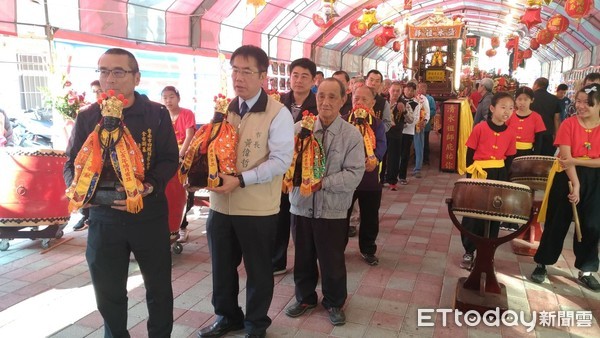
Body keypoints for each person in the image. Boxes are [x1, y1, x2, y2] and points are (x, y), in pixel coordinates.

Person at [64, 47, 179, 337]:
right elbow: (71, 162)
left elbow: (169, 158)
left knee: (159, 290)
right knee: (109, 294)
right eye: (103, 71)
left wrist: (149, 185)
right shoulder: (89, 116)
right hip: (104, 220)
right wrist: (78, 191)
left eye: (118, 72)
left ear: (136, 77)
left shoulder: (156, 113)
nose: (110, 79)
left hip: (148, 216)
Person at [197, 45, 294, 338]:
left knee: (259, 271)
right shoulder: (224, 109)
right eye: (235, 70)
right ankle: (228, 317)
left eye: (247, 71)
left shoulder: (278, 113)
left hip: (256, 209)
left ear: (263, 76)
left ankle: (255, 324)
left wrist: (241, 179)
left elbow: (280, 162)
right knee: (222, 268)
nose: (238, 77)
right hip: (220, 205)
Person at [285, 77, 365, 326]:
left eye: (333, 97)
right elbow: (285, 163)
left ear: (343, 100)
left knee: (332, 260)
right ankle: (305, 297)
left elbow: (354, 174)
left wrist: (322, 183)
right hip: (301, 206)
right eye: (321, 96)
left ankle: (334, 301)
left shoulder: (351, 135)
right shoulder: (299, 130)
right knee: (303, 256)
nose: (326, 101)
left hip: (332, 210)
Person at [530, 83, 600, 291]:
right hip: (566, 178)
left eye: (587, 103)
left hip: (595, 179)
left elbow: (577, 160)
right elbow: (565, 157)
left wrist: (578, 162)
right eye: (578, 101)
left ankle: (586, 269)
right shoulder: (568, 124)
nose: (580, 106)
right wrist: (576, 184)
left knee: (592, 225)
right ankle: (543, 262)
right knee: (556, 220)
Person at [460, 92, 516, 270]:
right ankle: (469, 251)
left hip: (498, 174)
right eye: (503, 107)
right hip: (479, 174)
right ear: (492, 108)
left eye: (511, 108)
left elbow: (510, 160)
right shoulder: (480, 128)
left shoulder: (510, 132)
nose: (507, 111)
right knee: (473, 214)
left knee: (494, 214)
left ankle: (487, 251)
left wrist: (506, 181)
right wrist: (470, 179)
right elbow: (470, 154)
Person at [274, 57, 318, 276]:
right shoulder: (277, 101)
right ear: (289, 77)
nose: (299, 80)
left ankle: (307, 267)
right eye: (295, 75)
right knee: (279, 214)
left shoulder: (318, 104)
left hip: (304, 168)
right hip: (279, 167)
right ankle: (277, 261)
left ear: (313, 80)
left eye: (304, 76)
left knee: (302, 220)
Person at [344, 85, 386, 265]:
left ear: (373, 103)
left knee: (370, 216)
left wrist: (375, 158)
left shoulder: (377, 123)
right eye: (356, 99)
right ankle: (337, 248)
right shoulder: (344, 121)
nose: (359, 102)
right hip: (347, 179)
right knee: (341, 215)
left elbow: (383, 144)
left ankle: (368, 249)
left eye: (364, 99)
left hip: (370, 179)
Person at [161, 85, 196, 242]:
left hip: (184, 158)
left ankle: (182, 226)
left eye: (171, 97)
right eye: (165, 97)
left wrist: (180, 155)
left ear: (178, 98)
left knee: (185, 192)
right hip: (167, 160)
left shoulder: (187, 113)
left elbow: (189, 136)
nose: (168, 100)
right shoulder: (161, 114)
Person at [72, 80, 105, 232]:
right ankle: (85, 215)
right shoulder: (86, 115)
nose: (98, 94)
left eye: (100, 90)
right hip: (90, 164)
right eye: (95, 91)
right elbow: (72, 154)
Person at [395, 81, 429, 187]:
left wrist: (423, 121)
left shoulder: (418, 102)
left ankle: (403, 176)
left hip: (410, 130)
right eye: (407, 89)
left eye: (412, 90)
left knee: (405, 154)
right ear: (403, 89)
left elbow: (418, 117)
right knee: (395, 153)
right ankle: (392, 175)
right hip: (396, 131)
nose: (409, 91)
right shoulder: (397, 100)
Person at [506, 86, 546, 157]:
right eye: (519, 99)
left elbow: (539, 139)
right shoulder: (510, 114)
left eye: (525, 99)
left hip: (527, 152)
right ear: (515, 100)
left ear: (532, 100)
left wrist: (535, 155)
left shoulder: (536, 117)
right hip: (509, 151)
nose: (522, 102)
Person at [385, 81, 409, 190]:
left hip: (396, 133)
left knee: (394, 158)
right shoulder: (383, 102)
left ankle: (392, 181)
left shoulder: (404, 103)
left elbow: (411, 119)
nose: (395, 93)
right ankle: (380, 179)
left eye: (397, 91)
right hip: (383, 133)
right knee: (381, 156)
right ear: (389, 90)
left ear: (401, 92)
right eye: (393, 90)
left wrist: (404, 111)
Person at [531, 77, 561, 156]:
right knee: (545, 160)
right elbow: (557, 118)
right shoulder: (554, 99)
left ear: (536, 85)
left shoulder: (530, 98)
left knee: (530, 160)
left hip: (532, 133)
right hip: (548, 133)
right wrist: (557, 135)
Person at [415, 82, 435, 173]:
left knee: (424, 143)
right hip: (412, 125)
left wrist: (424, 118)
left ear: (426, 89)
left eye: (423, 88)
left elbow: (432, 111)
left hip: (423, 125)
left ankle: (424, 160)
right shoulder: (413, 97)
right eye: (419, 87)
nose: (420, 89)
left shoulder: (429, 99)